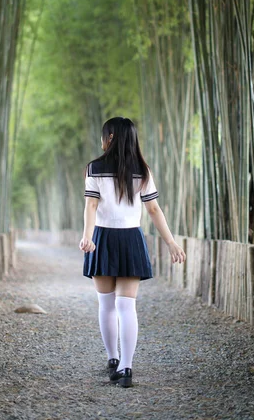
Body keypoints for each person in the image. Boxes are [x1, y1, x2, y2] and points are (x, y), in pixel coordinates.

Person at [79, 117, 186, 388]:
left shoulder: (95, 168)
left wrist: (87, 237)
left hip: (102, 236)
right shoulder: (143, 170)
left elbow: (91, 206)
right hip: (131, 238)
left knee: (106, 304)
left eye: (104, 136)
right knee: (126, 306)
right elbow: (153, 210)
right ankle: (126, 367)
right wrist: (170, 241)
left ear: (110, 138)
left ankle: (113, 358)